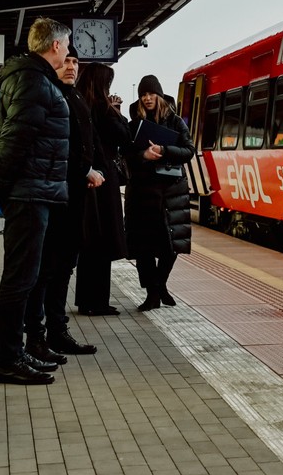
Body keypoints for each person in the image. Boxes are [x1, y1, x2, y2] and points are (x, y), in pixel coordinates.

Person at [0, 17, 72, 385]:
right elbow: (13, 140)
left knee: (25, 277)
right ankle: (7, 359)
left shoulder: (31, 79)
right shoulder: (34, 82)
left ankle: (16, 352)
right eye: (66, 45)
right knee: (20, 280)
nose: (68, 52)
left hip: (33, 190)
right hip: (29, 192)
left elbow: (2, 134)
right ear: (54, 46)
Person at [24, 45, 105, 365]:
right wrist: (83, 170)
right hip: (52, 198)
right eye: (66, 60)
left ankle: (57, 331)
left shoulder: (75, 97)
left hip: (73, 199)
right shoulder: (48, 95)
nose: (71, 66)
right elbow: (47, 147)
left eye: (75, 61)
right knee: (44, 271)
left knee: (63, 269)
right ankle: (36, 337)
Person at [126, 74, 194, 311]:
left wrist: (165, 150)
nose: (146, 98)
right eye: (143, 95)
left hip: (170, 194)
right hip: (143, 194)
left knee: (170, 245)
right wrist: (143, 155)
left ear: (159, 95)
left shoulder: (175, 121)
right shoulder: (134, 124)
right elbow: (125, 156)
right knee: (144, 247)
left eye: (150, 94)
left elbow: (189, 150)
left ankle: (160, 285)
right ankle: (152, 294)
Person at [75, 62, 130, 315]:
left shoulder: (81, 104)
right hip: (103, 180)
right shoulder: (102, 108)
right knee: (103, 243)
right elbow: (123, 135)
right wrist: (117, 109)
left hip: (86, 178)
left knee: (90, 244)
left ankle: (86, 301)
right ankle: (97, 302)